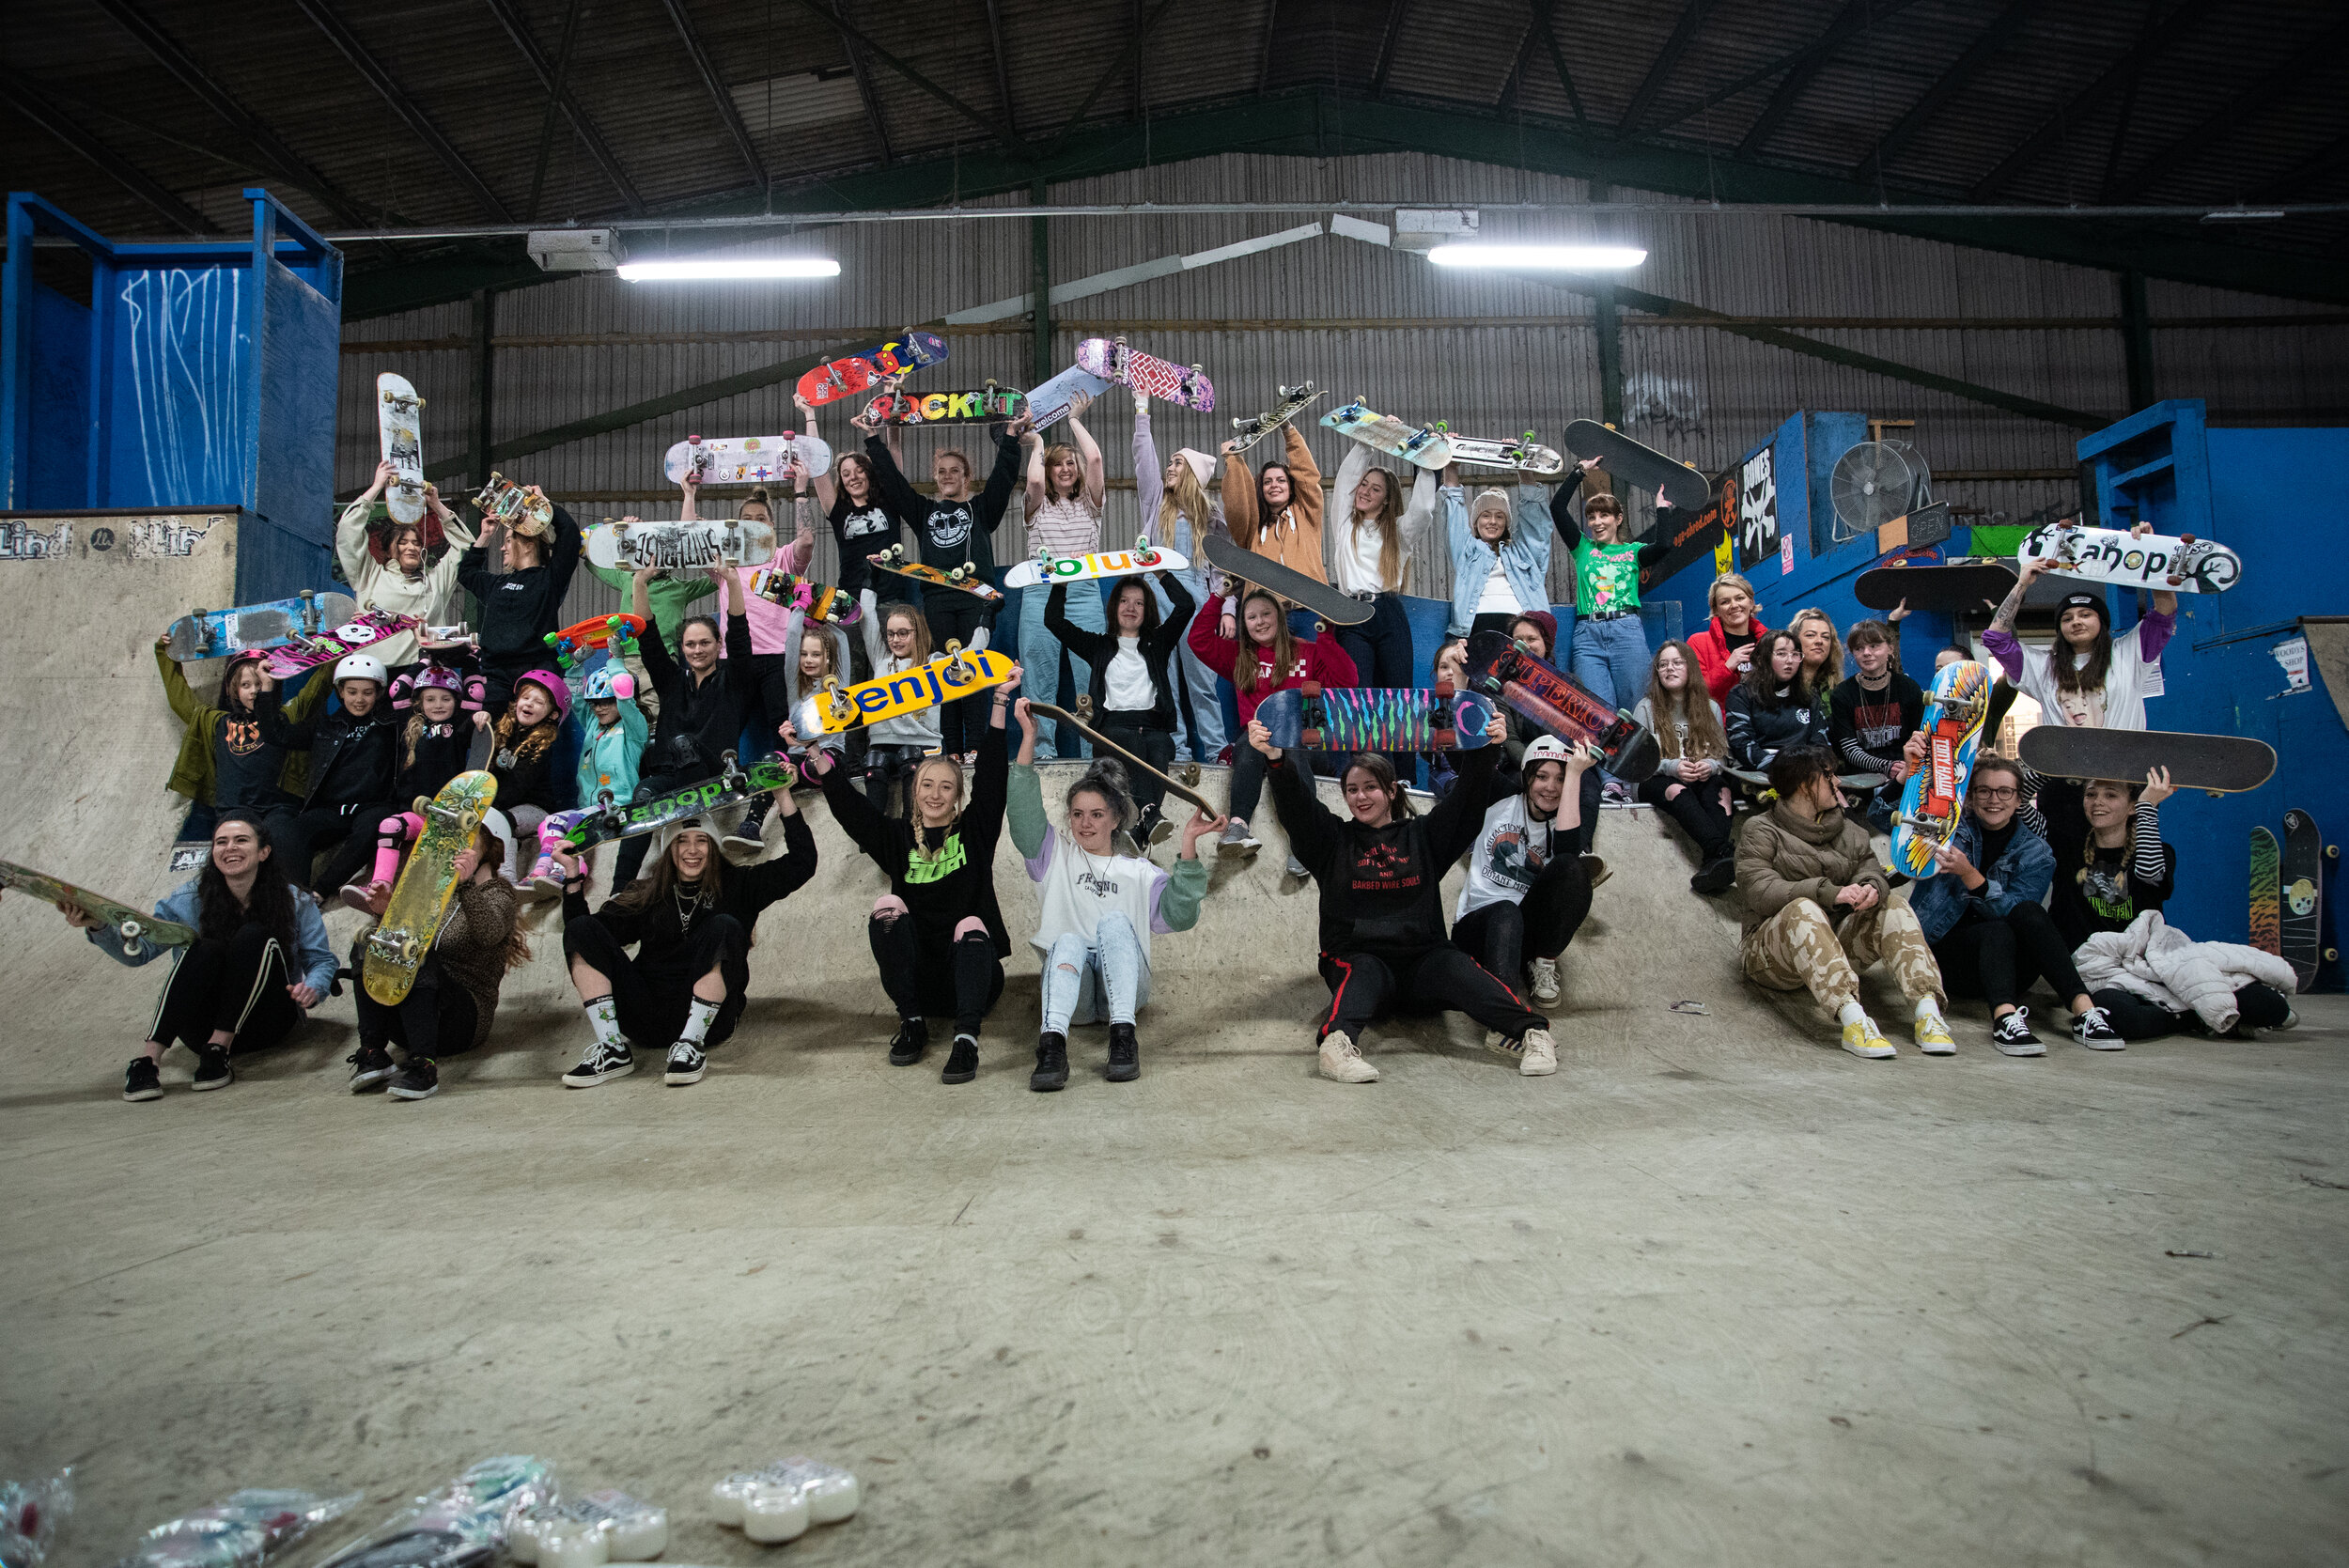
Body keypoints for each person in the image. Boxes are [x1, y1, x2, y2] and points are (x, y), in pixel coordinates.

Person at [1252, 712, 1558, 1080]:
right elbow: (1298, 810)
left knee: (1457, 966)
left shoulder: (1424, 837)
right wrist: (1275, 760)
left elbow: (1466, 802)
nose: (1360, 797)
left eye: (1370, 787)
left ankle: (1531, 1033)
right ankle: (1336, 1046)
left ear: (1392, 790)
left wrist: (1487, 750)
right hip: (1360, 958)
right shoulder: (1333, 842)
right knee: (1361, 969)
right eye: (1352, 789)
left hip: (1422, 964)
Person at [786, 672, 1021, 1085]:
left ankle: (966, 1040)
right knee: (886, 907)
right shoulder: (897, 839)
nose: (935, 794)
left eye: (946, 787)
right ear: (915, 791)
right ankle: (912, 1022)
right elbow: (852, 811)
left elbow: (992, 782)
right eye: (927, 784)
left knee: (969, 924)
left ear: (957, 797)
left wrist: (999, 701)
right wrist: (814, 753)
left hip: (974, 978)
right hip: (919, 980)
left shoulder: (975, 832)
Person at [1006, 703, 1221, 1090]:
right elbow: (1022, 813)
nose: (1085, 823)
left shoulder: (1139, 872)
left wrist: (1188, 844)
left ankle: (1123, 1041)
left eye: (1097, 814)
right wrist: (1028, 738)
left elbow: (1180, 916)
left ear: (1117, 817)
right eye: (1077, 814)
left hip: (1125, 992)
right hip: (1073, 994)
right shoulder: (1053, 855)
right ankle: (1052, 1047)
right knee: (1067, 940)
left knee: (1115, 923)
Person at [550, 782, 817, 1089]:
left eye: (701, 840)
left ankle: (691, 1044)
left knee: (726, 925)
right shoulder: (648, 894)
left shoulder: (741, 884)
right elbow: (586, 937)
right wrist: (572, 878)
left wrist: (782, 795)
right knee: (581, 929)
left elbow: (802, 863)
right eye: (681, 842)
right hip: (646, 1019)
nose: (692, 850)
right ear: (669, 850)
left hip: (712, 1022)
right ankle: (612, 1048)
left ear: (713, 846)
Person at [70, 812, 337, 1102]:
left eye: (241, 840)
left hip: (267, 1022)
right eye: (221, 842)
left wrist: (314, 987)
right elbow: (138, 954)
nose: (230, 847)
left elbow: (321, 960)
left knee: (254, 935)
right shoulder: (188, 899)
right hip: (200, 1028)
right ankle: (148, 1061)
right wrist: (98, 926)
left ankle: (219, 1049)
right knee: (204, 947)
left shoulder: (295, 900)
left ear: (264, 852)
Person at [1735, 746, 1953, 1059]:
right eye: (1829, 776)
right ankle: (1854, 1021)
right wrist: (1829, 892)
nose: (1838, 783)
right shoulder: (1761, 830)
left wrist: (1872, 888)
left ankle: (1928, 1013)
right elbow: (1759, 890)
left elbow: (1870, 869)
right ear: (1804, 783)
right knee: (1802, 909)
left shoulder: (1850, 831)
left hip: (1835, 947)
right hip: (1771, 956)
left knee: (1894, 905)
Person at [1909, 756, 2125, 1055]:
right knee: (1995, 931)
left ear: (2020, 799)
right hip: (1948, 961)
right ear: (1970, 797)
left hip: (2012, 969)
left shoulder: (2037, 851)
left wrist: (1970, 876)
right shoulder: (1947, 828)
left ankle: (2085, 1013)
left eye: (2005, 792)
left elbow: (2014, 911)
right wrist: (1907, 772)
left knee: (2026, 912)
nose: (1994, 799)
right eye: (1984, 791)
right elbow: (1888, 819)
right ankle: (2005, 1019)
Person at [2061, 774, 2295, 1040]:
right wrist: (2042, 763)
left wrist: (2148, 806)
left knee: (2270, 1006)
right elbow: (2023, 811)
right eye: (2091, 794)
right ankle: (2194, 1017)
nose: (2097, 802)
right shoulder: (2067, 848)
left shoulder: (2160, 852)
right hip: (2106, 964)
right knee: (2118, 1017)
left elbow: (2149, 874)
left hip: (2156, 956)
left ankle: (2181, 1013)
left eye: (2111, 795)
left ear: (2131, 807)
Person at [863, 414, 1023, 758]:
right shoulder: (924, 512)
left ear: (967, 477)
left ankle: (977, 748)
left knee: (973, 674)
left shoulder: (981, 509)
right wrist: (873, 440)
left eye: (955, 471)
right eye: (942, 471)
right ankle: (950, 748)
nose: (948, 476)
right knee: (943, 675)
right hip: (936, 601)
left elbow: (1003, 479)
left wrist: (1010, 437)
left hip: (974, 600)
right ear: (935, 479)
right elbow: (894, 484)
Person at [346, 810, 531, 1099]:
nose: (455, 845)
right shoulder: (428, 893)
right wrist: (384, 916)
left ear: (489, 848)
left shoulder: (500, 893)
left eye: (467, 838)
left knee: (418, 953)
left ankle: (423, 1068)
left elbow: (489, 934)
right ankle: (373, 1052)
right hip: (409, 1019)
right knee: (370, 944)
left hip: (462, 1021)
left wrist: (466, 885)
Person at [1188, 585, 1359, 859]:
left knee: (1292, 748)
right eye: (1252, 617)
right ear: (1244, 623)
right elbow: (1198, 640)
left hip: (1306, 745)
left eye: (1266, 614)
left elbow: (1347, 680)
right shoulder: (1239, 657)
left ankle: (1304, 838)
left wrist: (1326, 635)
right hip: (1258, 744)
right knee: (1247, 743)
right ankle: (1238, 827)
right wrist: (1220, 596)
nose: (1260, 622)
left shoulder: (1307, 651)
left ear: (1279, 617)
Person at [614, 565, 755, 887]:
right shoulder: (671, 680)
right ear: (682, 648)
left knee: (682, 743)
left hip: (713, 777)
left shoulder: (734, 681)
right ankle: (618, 890)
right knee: (642, 793)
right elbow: (647, 637)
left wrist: (732, 581)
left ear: (717, 645)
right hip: (671, 777)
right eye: (690, 644)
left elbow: (739, 635)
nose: (697, 650)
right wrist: (639, 581)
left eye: (704, 643)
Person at [1452, 735, 1596, 1029]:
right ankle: (1506, 1019)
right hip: (1477, 930)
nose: (1551, 787)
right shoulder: (1501, 794)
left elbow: (1567, 853)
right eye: (1542, 776)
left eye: (1560, 778)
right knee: (1506, 910)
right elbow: (1461, 757)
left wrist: (1576, 774)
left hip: (1525, 936)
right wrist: (1491, 737)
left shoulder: (1567, 816)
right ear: (1527, 777)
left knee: (1573, 868)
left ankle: (1543, 961)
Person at [1045, 571, 1197, 846]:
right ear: (1114, 607)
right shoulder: (1098, 646)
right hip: (1111, 729)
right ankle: (1150, 814)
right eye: (1124, 601)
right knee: (1134, 741)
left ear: (1147, 609)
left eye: (1138, 603)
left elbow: (1186, 605)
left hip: (1152, 725)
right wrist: (1061, 582)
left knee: (1161, 744)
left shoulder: (1158, 643)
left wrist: (1161, 573)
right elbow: (1053, 621)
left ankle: (1142, 828)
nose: (1130, 608)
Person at [340, 660, 489, 911]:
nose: (438, 705)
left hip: (448, 816)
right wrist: (424, 661)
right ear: (419, 702)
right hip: (417, 813)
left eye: (446, 699)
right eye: (430, 699)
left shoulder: (459, 726)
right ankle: (380, 887)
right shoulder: (409, 723)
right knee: (389, 825)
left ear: (456, 701)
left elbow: (476, 693)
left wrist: (471, 663)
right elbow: (397, 690)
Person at [1132, 394, 1229, 765]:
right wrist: (1142, 411)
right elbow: (1144, 459)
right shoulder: (1156, 503)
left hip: (1199, 607)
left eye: (1177, 463)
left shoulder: (1211, 515)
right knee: (1164, 682)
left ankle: (1218, 751)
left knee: (1203, 686)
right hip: (1158, 602)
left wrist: (1228, 608)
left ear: (1192, 473)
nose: (1169, 467)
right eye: (1170, 461)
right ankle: (1177, 752)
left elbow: (1224, 570)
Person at [262, 653, 401, 897]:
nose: (359, 699)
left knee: (373, 826)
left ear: (379, 693)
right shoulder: (326, 725)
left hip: (373, 807)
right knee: (289, 829)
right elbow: (277, 734)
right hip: (332, 810)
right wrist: (269, 686)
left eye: (367, 692)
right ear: (340, 692)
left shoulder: (392, 722)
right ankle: (294, 898)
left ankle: (318, 892)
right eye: (352, 692)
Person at [730, 468, 820, 849]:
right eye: (746, 520)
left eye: (761, 519)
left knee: (781, 735)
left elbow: (807, 538)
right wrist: (689, 493)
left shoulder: (784, 558)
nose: (753, 525)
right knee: (720, 731)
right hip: (732, 658)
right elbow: (694, 541)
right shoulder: (727, 562)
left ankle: (755, 817)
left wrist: (800, 489)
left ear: (771, 525)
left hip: (776, 659)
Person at [1019, 390, 1107, 759]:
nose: (1066, 468)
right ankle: (1042, 752)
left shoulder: (1090, 504)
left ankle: (1094, 753)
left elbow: (1096, 458)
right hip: (1040, 591)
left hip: (1084, 593)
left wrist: (1073, 419)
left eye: (1071, 463)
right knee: (1040, 678)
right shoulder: (1035, 506)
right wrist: (1038, 440)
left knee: (1092, 678)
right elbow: (1036, 482)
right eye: (1059, 463)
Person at [1491, 610, 1606, 871]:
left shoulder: (1570, 683)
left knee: (1589, 787)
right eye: (1517, 639)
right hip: (1524, 764)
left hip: (1568, 764)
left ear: (1546, 644)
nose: (1524, 645)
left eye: (1532, 638)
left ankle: (1577, 854)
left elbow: (1582, 733)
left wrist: (1566, 767)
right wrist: (1539, 768)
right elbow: (1509, 738)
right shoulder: (1502, 685)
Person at [337, 460, 474, 672]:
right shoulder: (369, 575)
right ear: (389, 549)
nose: (411, 547)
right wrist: (375, 488)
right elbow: (348, 531)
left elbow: (467, 548)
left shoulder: (436, 581)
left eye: (417, 543)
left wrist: (436, 505)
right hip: (372, 673)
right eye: (403, 542)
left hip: (420, 675)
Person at [525, 660, 649, 894]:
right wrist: (574, 665)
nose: (599, 709)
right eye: (596, 703)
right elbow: (577, 701)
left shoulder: (634, 729)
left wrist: (615, 661)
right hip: (590, 808)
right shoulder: (594, 724)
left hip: (618, 809)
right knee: (549, 822)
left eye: (607, 702)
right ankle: (543, 870)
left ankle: (572, 867)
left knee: (573, 822)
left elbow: (625, 697)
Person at [1548, 472, 1666, 714]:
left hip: (1626, 630)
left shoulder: (1634, 552)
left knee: (1638, 707)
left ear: (1618, 518)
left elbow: (1665, 545)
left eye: (1604, 515)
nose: (1597, 522)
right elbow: (1557, 507)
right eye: (1591, 517)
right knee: (1596, 712)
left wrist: (1663, 509)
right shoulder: (1582, 548)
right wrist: (1579, 471)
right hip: (1588, 635)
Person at [457, 488, 582, 713]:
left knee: (532, 740)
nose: (503, 547)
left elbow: (570, 535)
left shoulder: (550, 579)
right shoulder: (496, 584)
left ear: (528, 545)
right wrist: (485, 535)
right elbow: (466, 573)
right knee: (492, 731)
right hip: (495, 676)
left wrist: (545, 505)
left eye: (507, 541)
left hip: (536, 672)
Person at [156, 642, 297, 838]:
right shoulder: (217, 723)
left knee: (282, 839)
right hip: (232, 812)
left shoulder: (286, 716)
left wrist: (340, 649)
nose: (254, 690)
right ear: (233, 690)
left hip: (277, 809)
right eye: (245, 685)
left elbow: (316, 691)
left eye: (259, 683)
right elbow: (180, 700)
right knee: (233, 847)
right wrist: (164, 652)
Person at [1630, 639, 1736, 893]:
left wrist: (1709, 765)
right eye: (1663, 665)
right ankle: (1721, 851)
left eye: (1677, 662)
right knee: (1677, 790)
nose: (1670, 669)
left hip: (1699, 777)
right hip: (1654, 779)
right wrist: (1671, 767)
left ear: (1690, 667)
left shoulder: (1709, 707)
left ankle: (1713, 865)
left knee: (1723, 792)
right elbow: (1635, 760)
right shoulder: (1645, 707)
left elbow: (1721, 756)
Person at [1327, 438, 1430, 697]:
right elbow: (1345, 480)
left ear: (1386, 499)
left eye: (1376, 489)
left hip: (1389, 614)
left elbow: (1423, 511)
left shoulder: (1399, 531)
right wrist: (1367, 440)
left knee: (1398, 695)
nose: (1365, 491)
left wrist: (1426, 464)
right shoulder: (1344, 524)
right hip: (1351, 614)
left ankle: (1400, 740)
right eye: (1364, 484)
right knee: (1358, 695)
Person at [1220, 420, 1325, 635]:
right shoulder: (1253, 528)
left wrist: (1289, 431)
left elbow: (1308, 476)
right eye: (1267, 482)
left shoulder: (1307, 513)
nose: (1274, 485)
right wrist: (1233, 460)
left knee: (1311, 669)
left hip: (1308, 612)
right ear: (1261, 488)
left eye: (1281, 480)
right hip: (1265, 616)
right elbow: (1238, 506)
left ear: (1291, 486)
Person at [583, 478, 718, 647]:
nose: (655, 555)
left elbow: (719, 577)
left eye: (663, 548)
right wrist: (621, 534)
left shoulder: (681, 588)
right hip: (627, 657)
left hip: (665, 657)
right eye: (649, 547)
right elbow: (591, 556)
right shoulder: (627, 577)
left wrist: (705, 538)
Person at [1828, 619, 1923, 824]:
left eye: (1874, 646)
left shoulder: (1909, 688)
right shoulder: (1842, 694)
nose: (1867, 653)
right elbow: (1850, 751)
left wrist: (1905, 768)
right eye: (1859, 648)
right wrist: (1887, 766)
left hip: (1907, 772)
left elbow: (1920, 740)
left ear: (1890, 648)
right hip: (1862, 779)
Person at [1443, 473, 1555, 643]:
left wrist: (1521, 468)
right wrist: (1451, 466)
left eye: (1500, 516)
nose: (1493, 521)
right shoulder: (1465, 550)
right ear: (1475, 522)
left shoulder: (1523, 551)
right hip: (1475, 629)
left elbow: (1535, 520)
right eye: (1486, 515)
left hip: (1521, 630)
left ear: (1506, 522)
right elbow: (1453, 510)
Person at [856, 601, 942, 818]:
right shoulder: (882, 662)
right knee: (873, 761)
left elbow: (970, 660)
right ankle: (873, 830)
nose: (895, 640)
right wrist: (869, 581)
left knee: (910, 757)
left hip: (921, 744)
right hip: (883, 745)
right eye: (891, 634)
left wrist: (985, 623)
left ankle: (911, 826)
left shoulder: (932, 662)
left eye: (903, 633)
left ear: (917, 632)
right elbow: (868, 622)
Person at [486, 670, 571, 880]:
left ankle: (507, 881)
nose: (529, 704)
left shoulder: (541, 745)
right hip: (503, 807)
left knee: (499, 820)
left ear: (552, 714)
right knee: (498, 824)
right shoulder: (504, 731)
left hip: (535, 809)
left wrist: (490, 807)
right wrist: (478, 721)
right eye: (525, 698)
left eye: (539, 702)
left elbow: (518, 786)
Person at [1724, 629, 1828, 774]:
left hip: (1804, 772)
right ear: (1761, 659)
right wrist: (1781, 770)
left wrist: (1804, 769)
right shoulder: (1740, 694)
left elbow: (1821, 745)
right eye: (1781, 654)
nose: (1790, 660)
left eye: (1795, 654)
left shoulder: (1810, 697)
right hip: (1758, 773)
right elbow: (1742, 743)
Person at [1689, 573, 1770, 705]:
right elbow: (1695, 694)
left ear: (1751, 602)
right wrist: (1727, 668)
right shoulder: (1698, 643)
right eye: (1725, 602)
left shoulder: (1770, 642)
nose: (1734, 605)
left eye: (1739, 598)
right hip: (1721, 723)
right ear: (1716, 610)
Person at [1787, 607, 1844, 698]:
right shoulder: (1780, 688)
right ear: (1795, 641)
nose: (1819, 641)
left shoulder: (1838, 691)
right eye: (1810, 635)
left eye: (1825, 637)